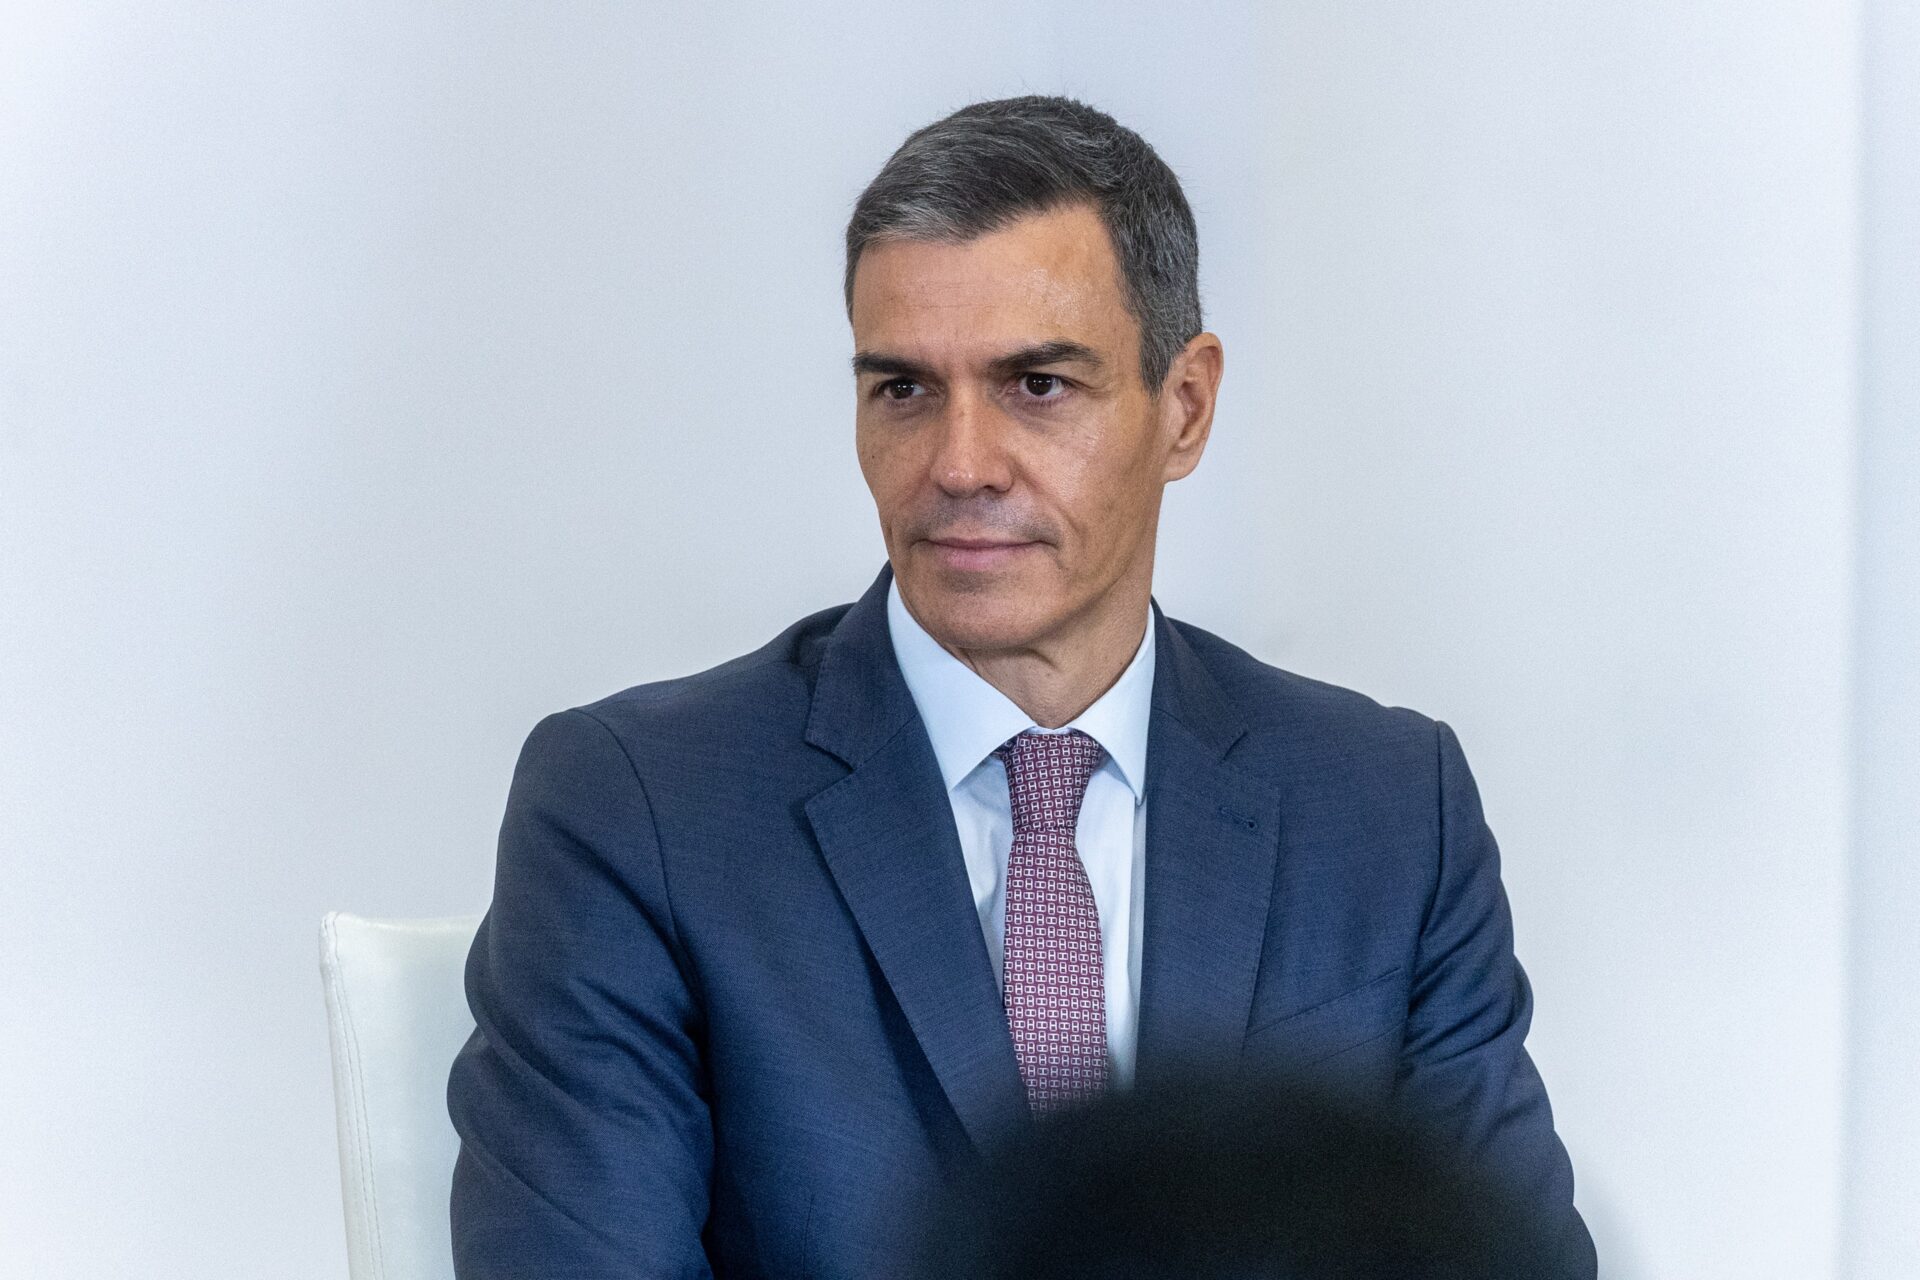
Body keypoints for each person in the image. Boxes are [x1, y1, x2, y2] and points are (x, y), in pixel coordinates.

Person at [447, 95, 1596, 1279]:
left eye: (1036, 385)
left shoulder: (1387, 808)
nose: (959, 464)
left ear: (1185, 406)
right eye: (903, 389)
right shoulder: (641, 812)